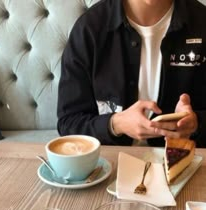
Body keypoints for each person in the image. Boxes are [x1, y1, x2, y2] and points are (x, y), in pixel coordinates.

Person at [57, 0, 206, 147]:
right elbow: (69, 123)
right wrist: (115, 124)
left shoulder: (202, 21)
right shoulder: (89, 28)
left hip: (185, 163)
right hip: (109, 164)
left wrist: (196, 124)